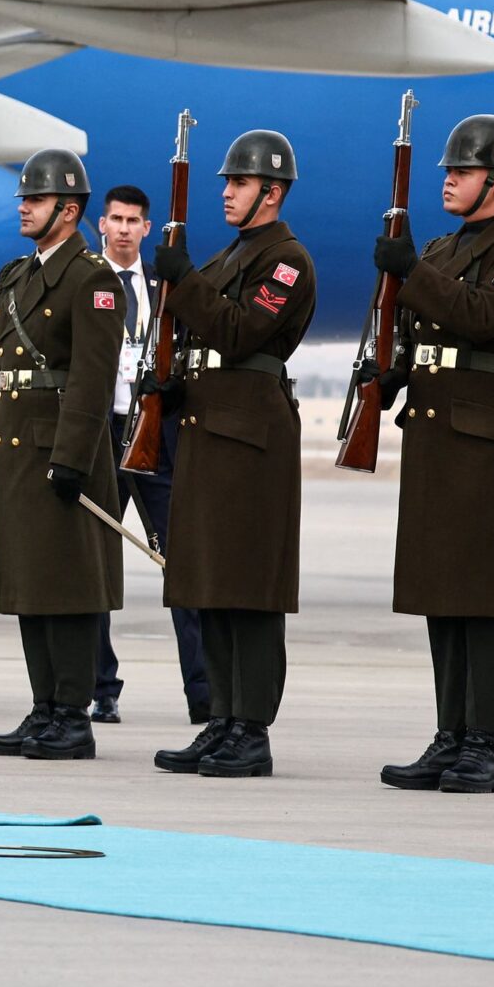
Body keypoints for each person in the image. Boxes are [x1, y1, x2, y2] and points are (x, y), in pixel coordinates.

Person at [373, 115, 494, 794]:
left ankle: (487, 743)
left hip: (489, 443)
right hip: (440, 434)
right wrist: (394, 370)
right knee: (443, 593)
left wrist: (411, 270)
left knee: (484, 597)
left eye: (462, 171)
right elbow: (432, 326)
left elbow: (480, 316)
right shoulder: (450, 247)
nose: (447, 180)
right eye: (447, 170)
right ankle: (451, 734)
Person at [148, 130, 315, 779]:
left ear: (270, 193)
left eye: (238, 184)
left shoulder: (285, 261)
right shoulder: (229, 257)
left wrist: (183, 279)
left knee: (248, 586)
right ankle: (221, 718)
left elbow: (239, 330)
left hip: (251, 440)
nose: (226, 192)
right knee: (210, 585)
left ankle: (252, 727)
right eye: (225, 182)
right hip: (208, 431)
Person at [0, 147, 124, 762]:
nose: (24, 208)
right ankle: (43, 707)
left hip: (62, 456)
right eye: (24, 199)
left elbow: (91, 378)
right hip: (18, 451)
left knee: (72, 587)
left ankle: (72, 716)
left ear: (70, 209)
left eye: (35, 199)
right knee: (31, 584)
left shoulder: (92, 279)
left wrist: (73, 457)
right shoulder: (17, 277)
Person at [91, 185, 208, 724]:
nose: (122, 228)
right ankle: (99, 687)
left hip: (157, 438)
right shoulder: (85, 283)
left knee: (181, 564)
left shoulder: (167, 285)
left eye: (133, 220)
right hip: (101, 436)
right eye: (114, 218)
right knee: (92, 564)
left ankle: (205, 694)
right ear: (101, 226)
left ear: (146, 228)